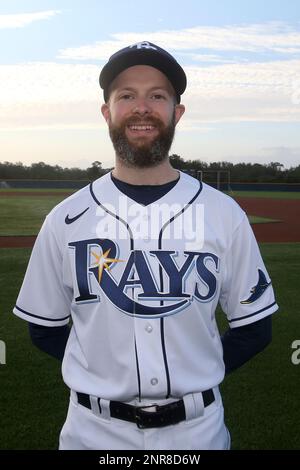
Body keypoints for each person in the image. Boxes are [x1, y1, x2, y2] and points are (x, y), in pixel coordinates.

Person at [13, 41, 278, 450]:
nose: (142, 107)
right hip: (92, 435)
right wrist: (103, 373)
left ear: (177, 112)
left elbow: (255, 328)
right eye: (126, 96)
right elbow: (43, 329)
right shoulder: (65, 219)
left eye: (157, 95)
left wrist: (195, 371)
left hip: (198, 435)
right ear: (108, 112)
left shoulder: (224, 214)